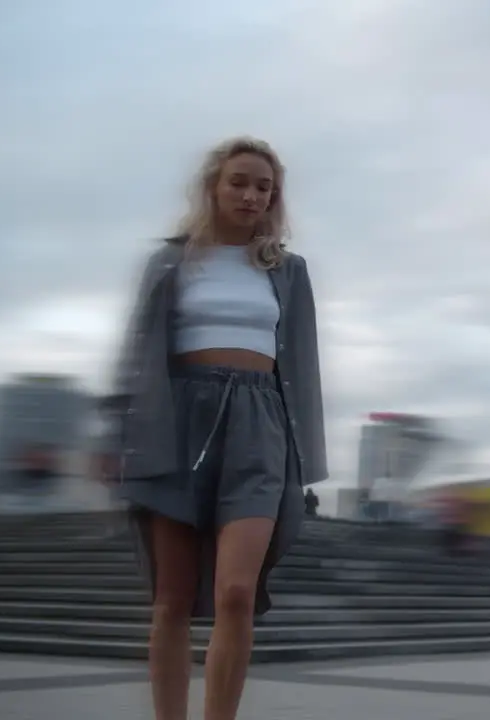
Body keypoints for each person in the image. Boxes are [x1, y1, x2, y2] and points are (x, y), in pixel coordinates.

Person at [97, 136, 327, 720]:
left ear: (274, 198)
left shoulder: (288, 271)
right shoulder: (173, 261)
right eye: (239, 182)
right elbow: (135, 350)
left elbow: (300, 364)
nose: (251, 195)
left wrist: (302, 454)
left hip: (260, 424)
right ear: (213, 187)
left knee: (236, 592)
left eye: (263, 187)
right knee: (171, 599)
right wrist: (111, 435)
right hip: (174, 422)